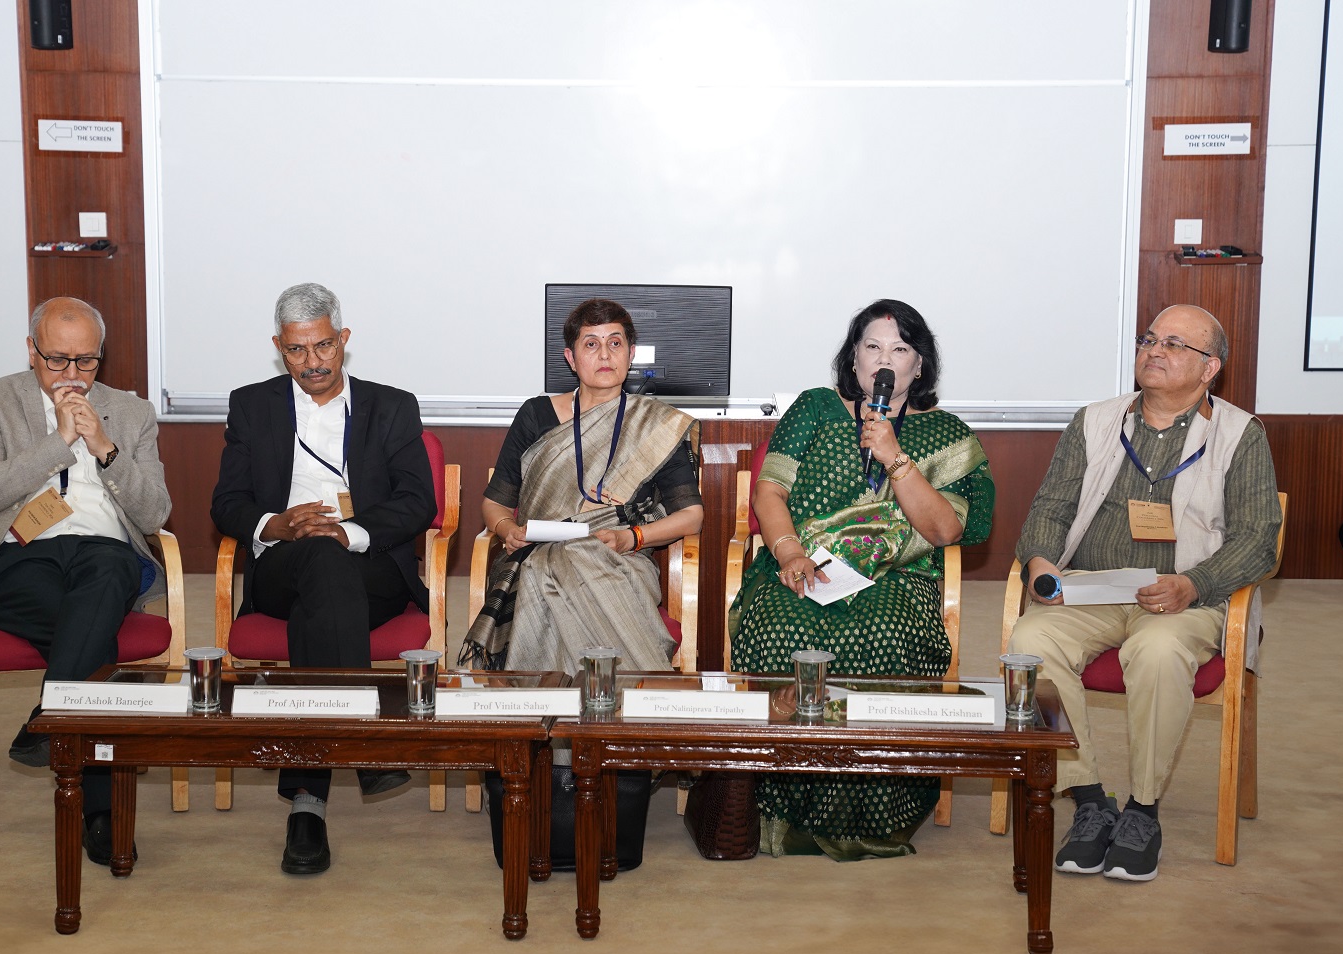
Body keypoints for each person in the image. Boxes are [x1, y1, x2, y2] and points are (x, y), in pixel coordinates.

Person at [1009, 304, 1281, 883]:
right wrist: (1038, 564)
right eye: (1149, 339)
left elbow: (1259, 539)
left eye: (1176, 344)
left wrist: (1195, 584)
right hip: (1093, 591)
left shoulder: (1240, 434)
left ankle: (1142, 810)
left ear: (1211, 369)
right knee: (1029, 636)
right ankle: (1087, 798)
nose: (1155, 351)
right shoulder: (1095, 421)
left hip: (1185, 597)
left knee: (1156, 653)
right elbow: (1050, 509)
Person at [728, 298, 994, 861]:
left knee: (878, 638)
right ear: (853, 358)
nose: (884, 360)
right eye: (873, 346)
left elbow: (945, 530)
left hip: (897, 577)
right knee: (781, 631)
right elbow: (770, 492)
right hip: (801, 564)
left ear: (920, 366)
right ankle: (778, 812)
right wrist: (790, 551)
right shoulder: (817, 409)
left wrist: (896, 459)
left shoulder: (947, 434)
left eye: (900, 349)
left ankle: (863, 814)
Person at [211, 282, 436, 875]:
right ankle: (363, 744)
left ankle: (307, 799)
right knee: (317, 560)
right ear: (278, 349)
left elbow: (417, 502)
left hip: (371, 569)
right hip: (284, 565)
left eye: (322, 347)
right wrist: (275, 524)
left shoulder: (391, 406)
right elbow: (226, 503)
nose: (311, 363)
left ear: (344, 340)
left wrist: (352, 530)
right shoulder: (252, 405)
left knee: (331, 563)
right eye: (296, 351)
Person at [0, 296, 172, 866]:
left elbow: (153, 514)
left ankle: (53, 721)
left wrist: (102, 446)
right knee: (91, 635)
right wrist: (59, 442)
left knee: (101, 573)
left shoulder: (131, 411)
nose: (72, 376)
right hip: (18, 558)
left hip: (107, 557)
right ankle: (99, 806)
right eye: (58, 361)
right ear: (32, 351)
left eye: (87, 362)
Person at [459, 298, 703, 673]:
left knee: (562, 568)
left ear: (631, 353)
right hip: (536, 555)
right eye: (591, 344)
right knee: (546, 569)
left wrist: (632, 538)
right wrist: (508, 530)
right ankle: (635, 695)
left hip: (621, 560)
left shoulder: (655, 426)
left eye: (615, 343)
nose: (605, 354)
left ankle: (554, 713)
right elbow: (495, 503)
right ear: (571, 358)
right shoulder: (536, 415)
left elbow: (691, 517)